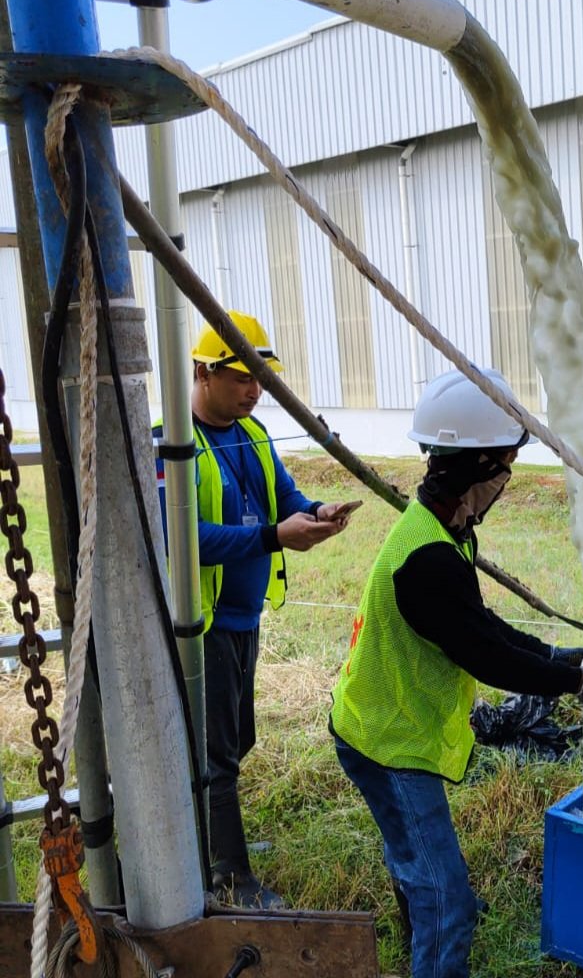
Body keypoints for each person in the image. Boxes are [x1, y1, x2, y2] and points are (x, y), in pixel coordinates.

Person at [329, 368, 583, 978]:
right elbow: (484, 655)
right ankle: (440, 926)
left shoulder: (441, 528)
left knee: (414, 863)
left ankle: (425, 909)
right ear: (481, 469)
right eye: (506, 470)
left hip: (372, 723)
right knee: (449, 901)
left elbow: (481, 626)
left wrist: (555, 656)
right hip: (388, 743)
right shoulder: (428, 560)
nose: (507, 485)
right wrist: (577, 685)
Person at [156, 310, 359, 909]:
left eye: (262, 379)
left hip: (243, 617)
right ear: (202, 371)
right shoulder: (171, 441)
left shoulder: (255, 434)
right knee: (217, 754)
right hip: (200, 624)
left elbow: (287, 495)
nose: (255, 390)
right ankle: (231, 876)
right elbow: (183, 539)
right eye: (243, 378)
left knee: (236, 741)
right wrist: (273, 537)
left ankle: (211, 839)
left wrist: (318, 511)